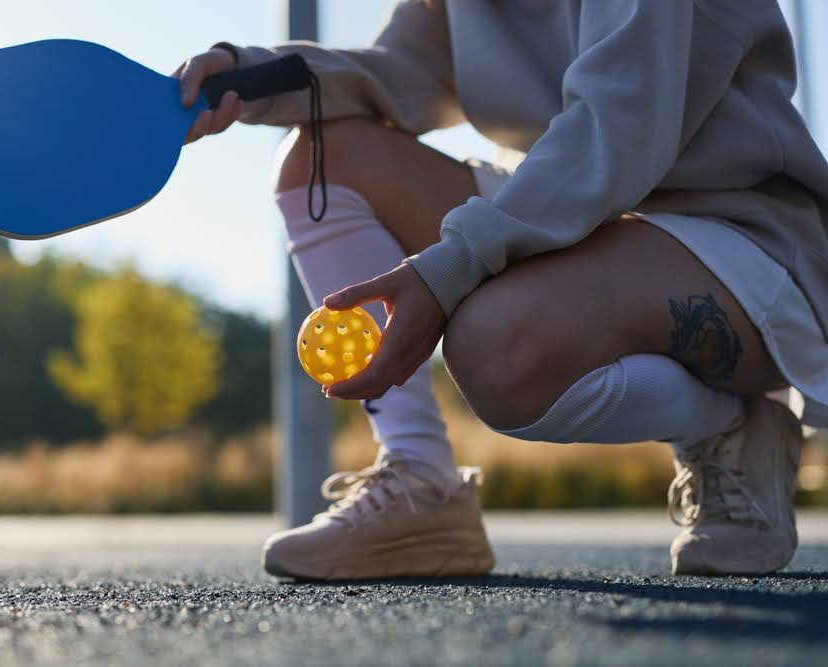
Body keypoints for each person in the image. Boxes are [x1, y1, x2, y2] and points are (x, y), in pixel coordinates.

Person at [176, 0, 828, 579]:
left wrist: (453, 264)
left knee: (493, 343)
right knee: (321, 158)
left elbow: (616, 135)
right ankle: (420, 478)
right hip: (584, 218)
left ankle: (735, 425)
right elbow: (392, 75)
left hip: (744, 241)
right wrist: (249, 75)